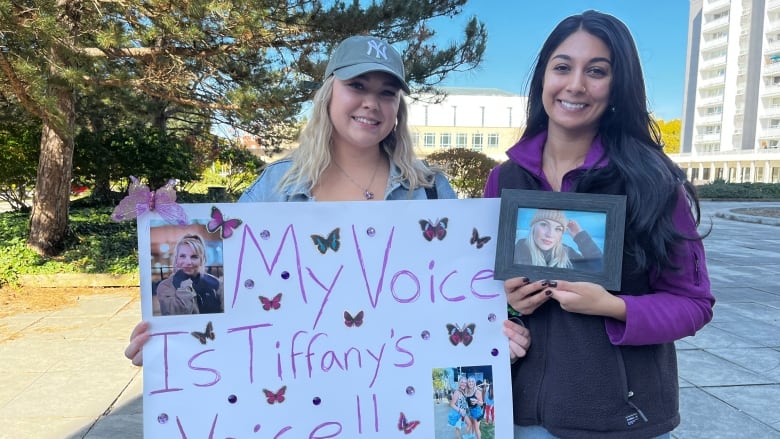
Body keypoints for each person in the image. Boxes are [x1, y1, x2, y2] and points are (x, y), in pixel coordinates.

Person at [124, 34, 458, 365]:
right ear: (328, 94)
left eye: (387, 93)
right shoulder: (277, 186)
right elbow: (233, 298)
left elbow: (458, 290)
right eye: (357, 85)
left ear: (398, 107)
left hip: (400, 379)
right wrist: (169, 347)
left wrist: (492, 332)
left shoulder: (430, 188)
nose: (372, 103)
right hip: (299, 383)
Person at [483, 10, 715, 439]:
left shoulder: (653, 182)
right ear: (542, 78)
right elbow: (479, 292)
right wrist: (512, 304)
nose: (575, 85)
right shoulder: (504, 179)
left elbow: (694, 304)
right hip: (520, 415)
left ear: (617, 86)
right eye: (562, 67)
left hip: (622, 420)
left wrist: (612, 306)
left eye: (597, 71)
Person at [514, 208, 602, 272]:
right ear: (533, 227)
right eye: (544, 224)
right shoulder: (516, 251)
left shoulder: (568, 253)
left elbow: (600, 267)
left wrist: (581, 238)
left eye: (558, 229)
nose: (550, 234)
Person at [155, 233, 223, 316]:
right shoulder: (166, 286)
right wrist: (183, 286)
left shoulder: (216, 283)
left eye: (194, 257)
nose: (188, 262)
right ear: (176, 260)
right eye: (183, 256)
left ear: (202, 260)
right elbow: (173, 316)